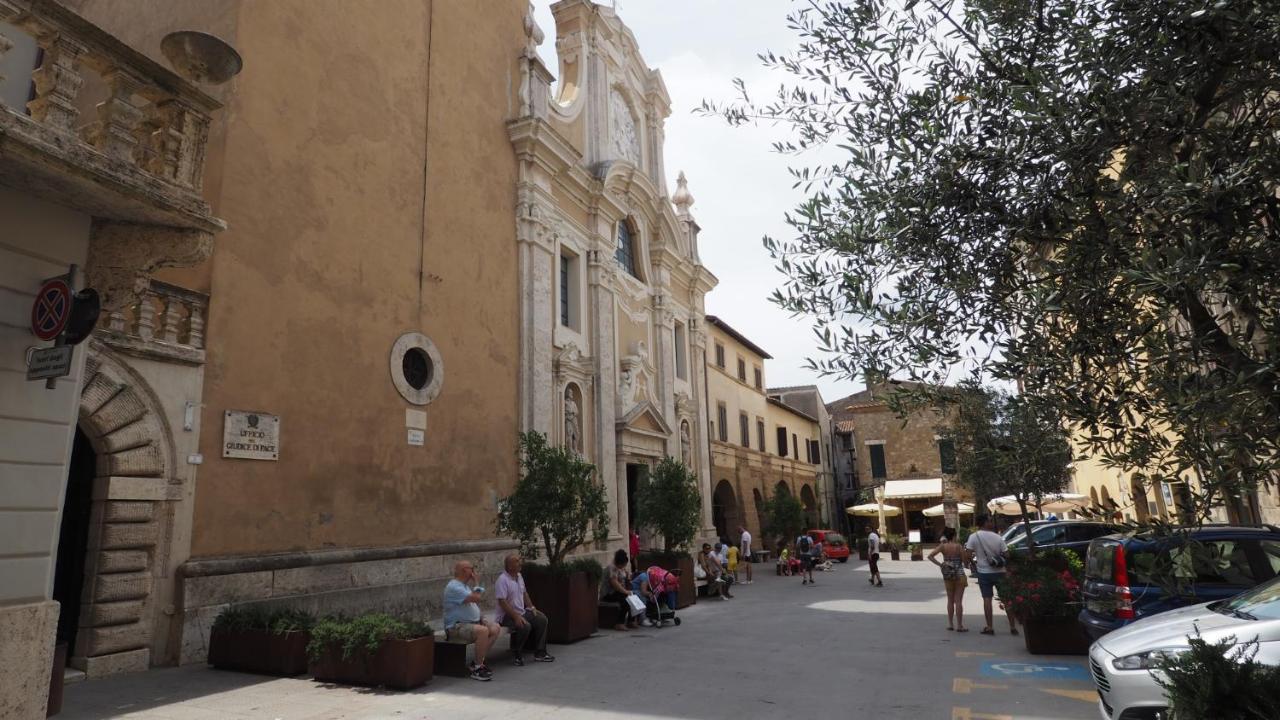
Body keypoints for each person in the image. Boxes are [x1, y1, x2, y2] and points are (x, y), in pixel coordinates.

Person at [443, 560, 500, 681]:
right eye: (472, 569)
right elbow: (476, 598)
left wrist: (481, 618)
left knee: (495, 628)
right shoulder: (453, 586)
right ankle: (478, 669)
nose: (474, 571)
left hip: (470, 625)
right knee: (483, 631)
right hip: (456, 627)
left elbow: (472, 605)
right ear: (464, 570)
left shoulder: (464, 586)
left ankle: (477, 662)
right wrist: (477, 582)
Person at [494, 555, 555, 665]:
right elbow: (502, 602)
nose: (520, 563)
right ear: (510, 566)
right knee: (525, 625)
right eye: (517, 561)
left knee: (542, 619)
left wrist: (532, 607)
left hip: (521, 611)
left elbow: (524, 593)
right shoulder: (502, 580)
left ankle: (540, 652)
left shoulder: (519, 576)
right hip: (506, 616)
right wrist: (516, 617)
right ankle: (517, 654)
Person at [966, 514, 1018, 636]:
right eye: (989, 521)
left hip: (984, 572)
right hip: (1000, 571)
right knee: (1006, 599)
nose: (991, 523)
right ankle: (1012, 627)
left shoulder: (974, 537)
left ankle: (989, 627)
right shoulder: (997, 537)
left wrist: (973, 563)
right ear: (984, 523)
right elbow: (1007, 555)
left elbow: (968, 554)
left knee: (987, 599)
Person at [928, 527, 969, 632]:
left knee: (950, 600)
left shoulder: (943, 546)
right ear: (954, 535)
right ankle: (959, 625)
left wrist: (941, 564)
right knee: (958, 601)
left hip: (948, 575)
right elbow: (965, 562)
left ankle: (950, 624)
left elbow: (930, 556)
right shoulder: (958, 547)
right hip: (959, 575)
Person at [600, 549, 636, 630]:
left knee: (633, 598)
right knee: (625, 601)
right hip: (608, 593)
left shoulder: (620, 568)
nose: (623, 567)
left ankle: (631, 620)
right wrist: (626, 592)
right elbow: (614, 584)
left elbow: (624, 581)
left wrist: (628, 578)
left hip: (617, 592)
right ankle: (619, 623)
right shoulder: (612, 568)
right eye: (623, 565)